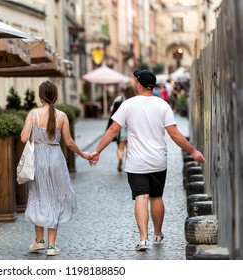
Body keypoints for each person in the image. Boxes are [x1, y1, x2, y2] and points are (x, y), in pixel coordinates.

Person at [90, 69, 206, 251]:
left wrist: (97, 151)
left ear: (139, 85)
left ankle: (143, 239)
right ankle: (157, 234)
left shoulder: (127, 105)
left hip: (136, 162)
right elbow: (174, 134)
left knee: (141, 197)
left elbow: (113, 130)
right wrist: (192, 151)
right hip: (158, 160)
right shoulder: (163, 105)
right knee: (156, 197)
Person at [20, 81, 92, 256]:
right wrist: (83, 154)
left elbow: (23, 138)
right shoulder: (62, 116)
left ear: (40, 96)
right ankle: (51, 246)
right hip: (55, 158)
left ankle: (39, 240)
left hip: (37, 159)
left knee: (38, 195)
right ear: (56, 96)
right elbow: (69, 142)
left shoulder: (33, 114)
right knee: (55, 197)